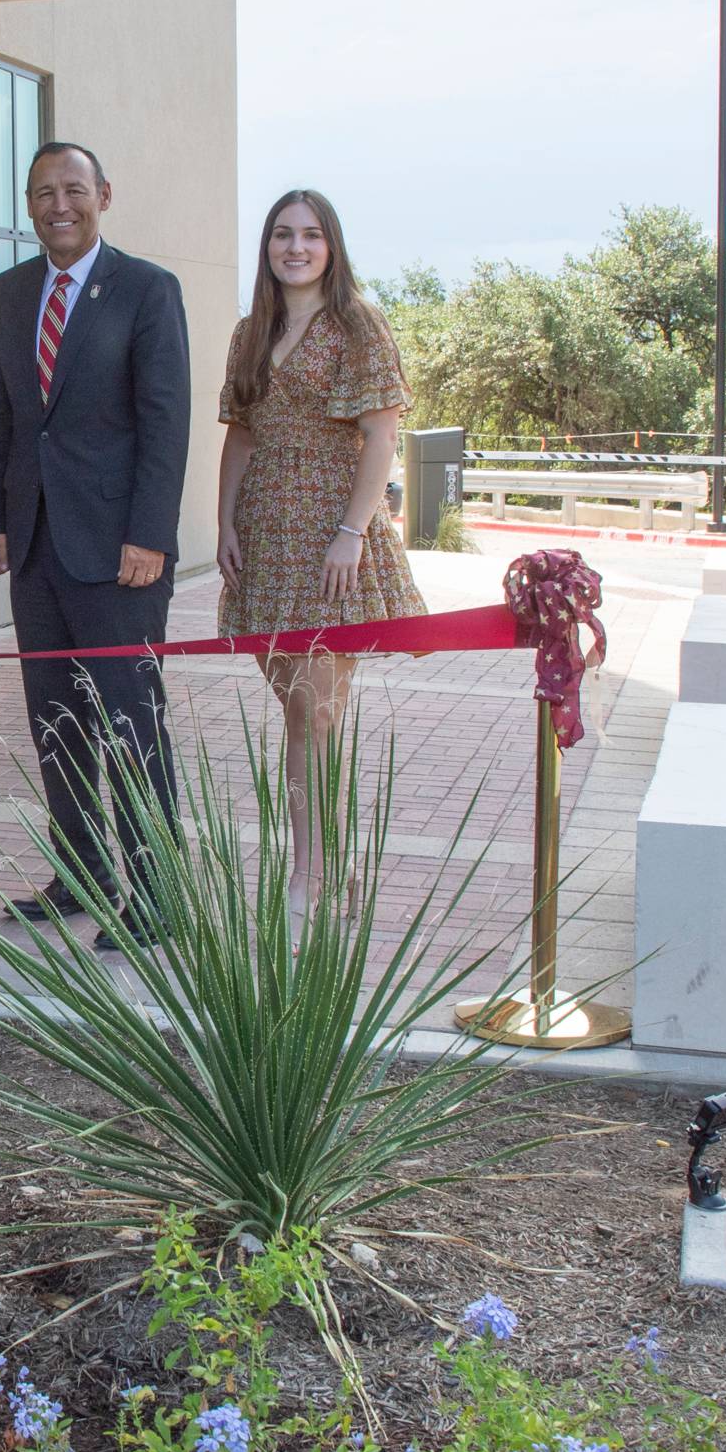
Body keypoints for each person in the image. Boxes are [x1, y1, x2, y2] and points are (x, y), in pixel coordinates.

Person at [0, 142, 191, 951]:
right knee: (55, 719)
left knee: (131, 723)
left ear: (103, 194)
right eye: (41, 193)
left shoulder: (144, 289)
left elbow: (165, 423)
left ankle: (158, 888)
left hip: (118, 551)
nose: (56, 204)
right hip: (32, 543)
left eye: (72, 189)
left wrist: (150, 536)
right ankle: (83, 868)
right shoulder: (8, 292)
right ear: (27, 205)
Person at [214, 188, 427, 915]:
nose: (294, 247)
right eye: (281, 234)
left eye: (309, 235)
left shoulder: (357, 324)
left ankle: (309, 874)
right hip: (266, 535)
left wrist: (352, 532)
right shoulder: (251, 330)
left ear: (330, 246)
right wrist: (224, 524)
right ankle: (334, 865)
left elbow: (381, 437)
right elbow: (240, 434)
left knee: (314, 712)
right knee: (300, 711)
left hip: (331, 534)